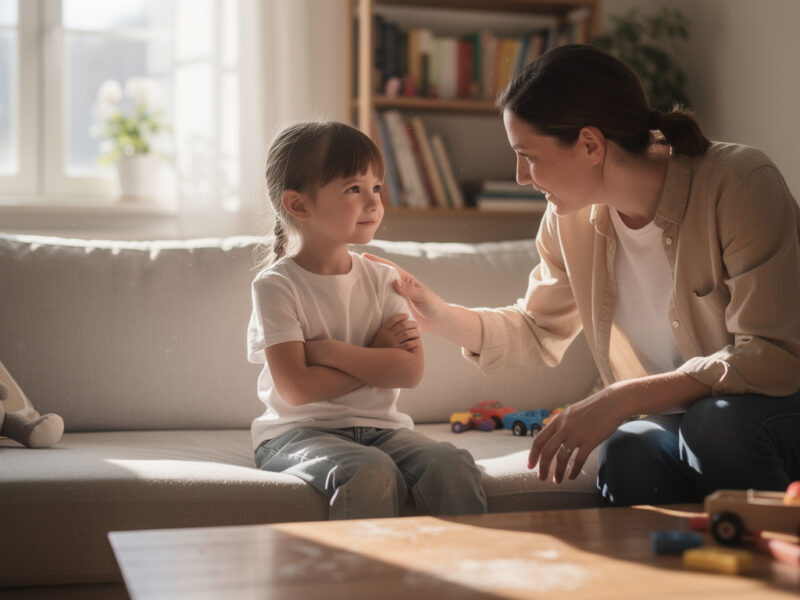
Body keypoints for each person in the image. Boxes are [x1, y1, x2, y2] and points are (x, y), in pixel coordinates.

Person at [366, 44, 800, 506]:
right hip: (682, 418)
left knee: (714, 426)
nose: (520, 177)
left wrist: (623, 398)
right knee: (629, 451)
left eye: (528, 155)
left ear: (591, 145)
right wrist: (438, 315)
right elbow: (537, 328)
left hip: (773, 405)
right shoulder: (567, 221)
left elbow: (771, 355)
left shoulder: (738, 184)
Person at [248, 120, 487, 519]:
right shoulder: (276, 286)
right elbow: (297, 389)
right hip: (295, 436)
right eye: (353, 189)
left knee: (453, 464)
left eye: (376, 187)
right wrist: (375, 356)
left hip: (384, 430)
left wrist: (330, 353)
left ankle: (463, 578)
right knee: (370, 472)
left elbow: (408, 372)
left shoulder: (384, 278)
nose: (374, 202)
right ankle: (364, 581)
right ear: (299, 204)